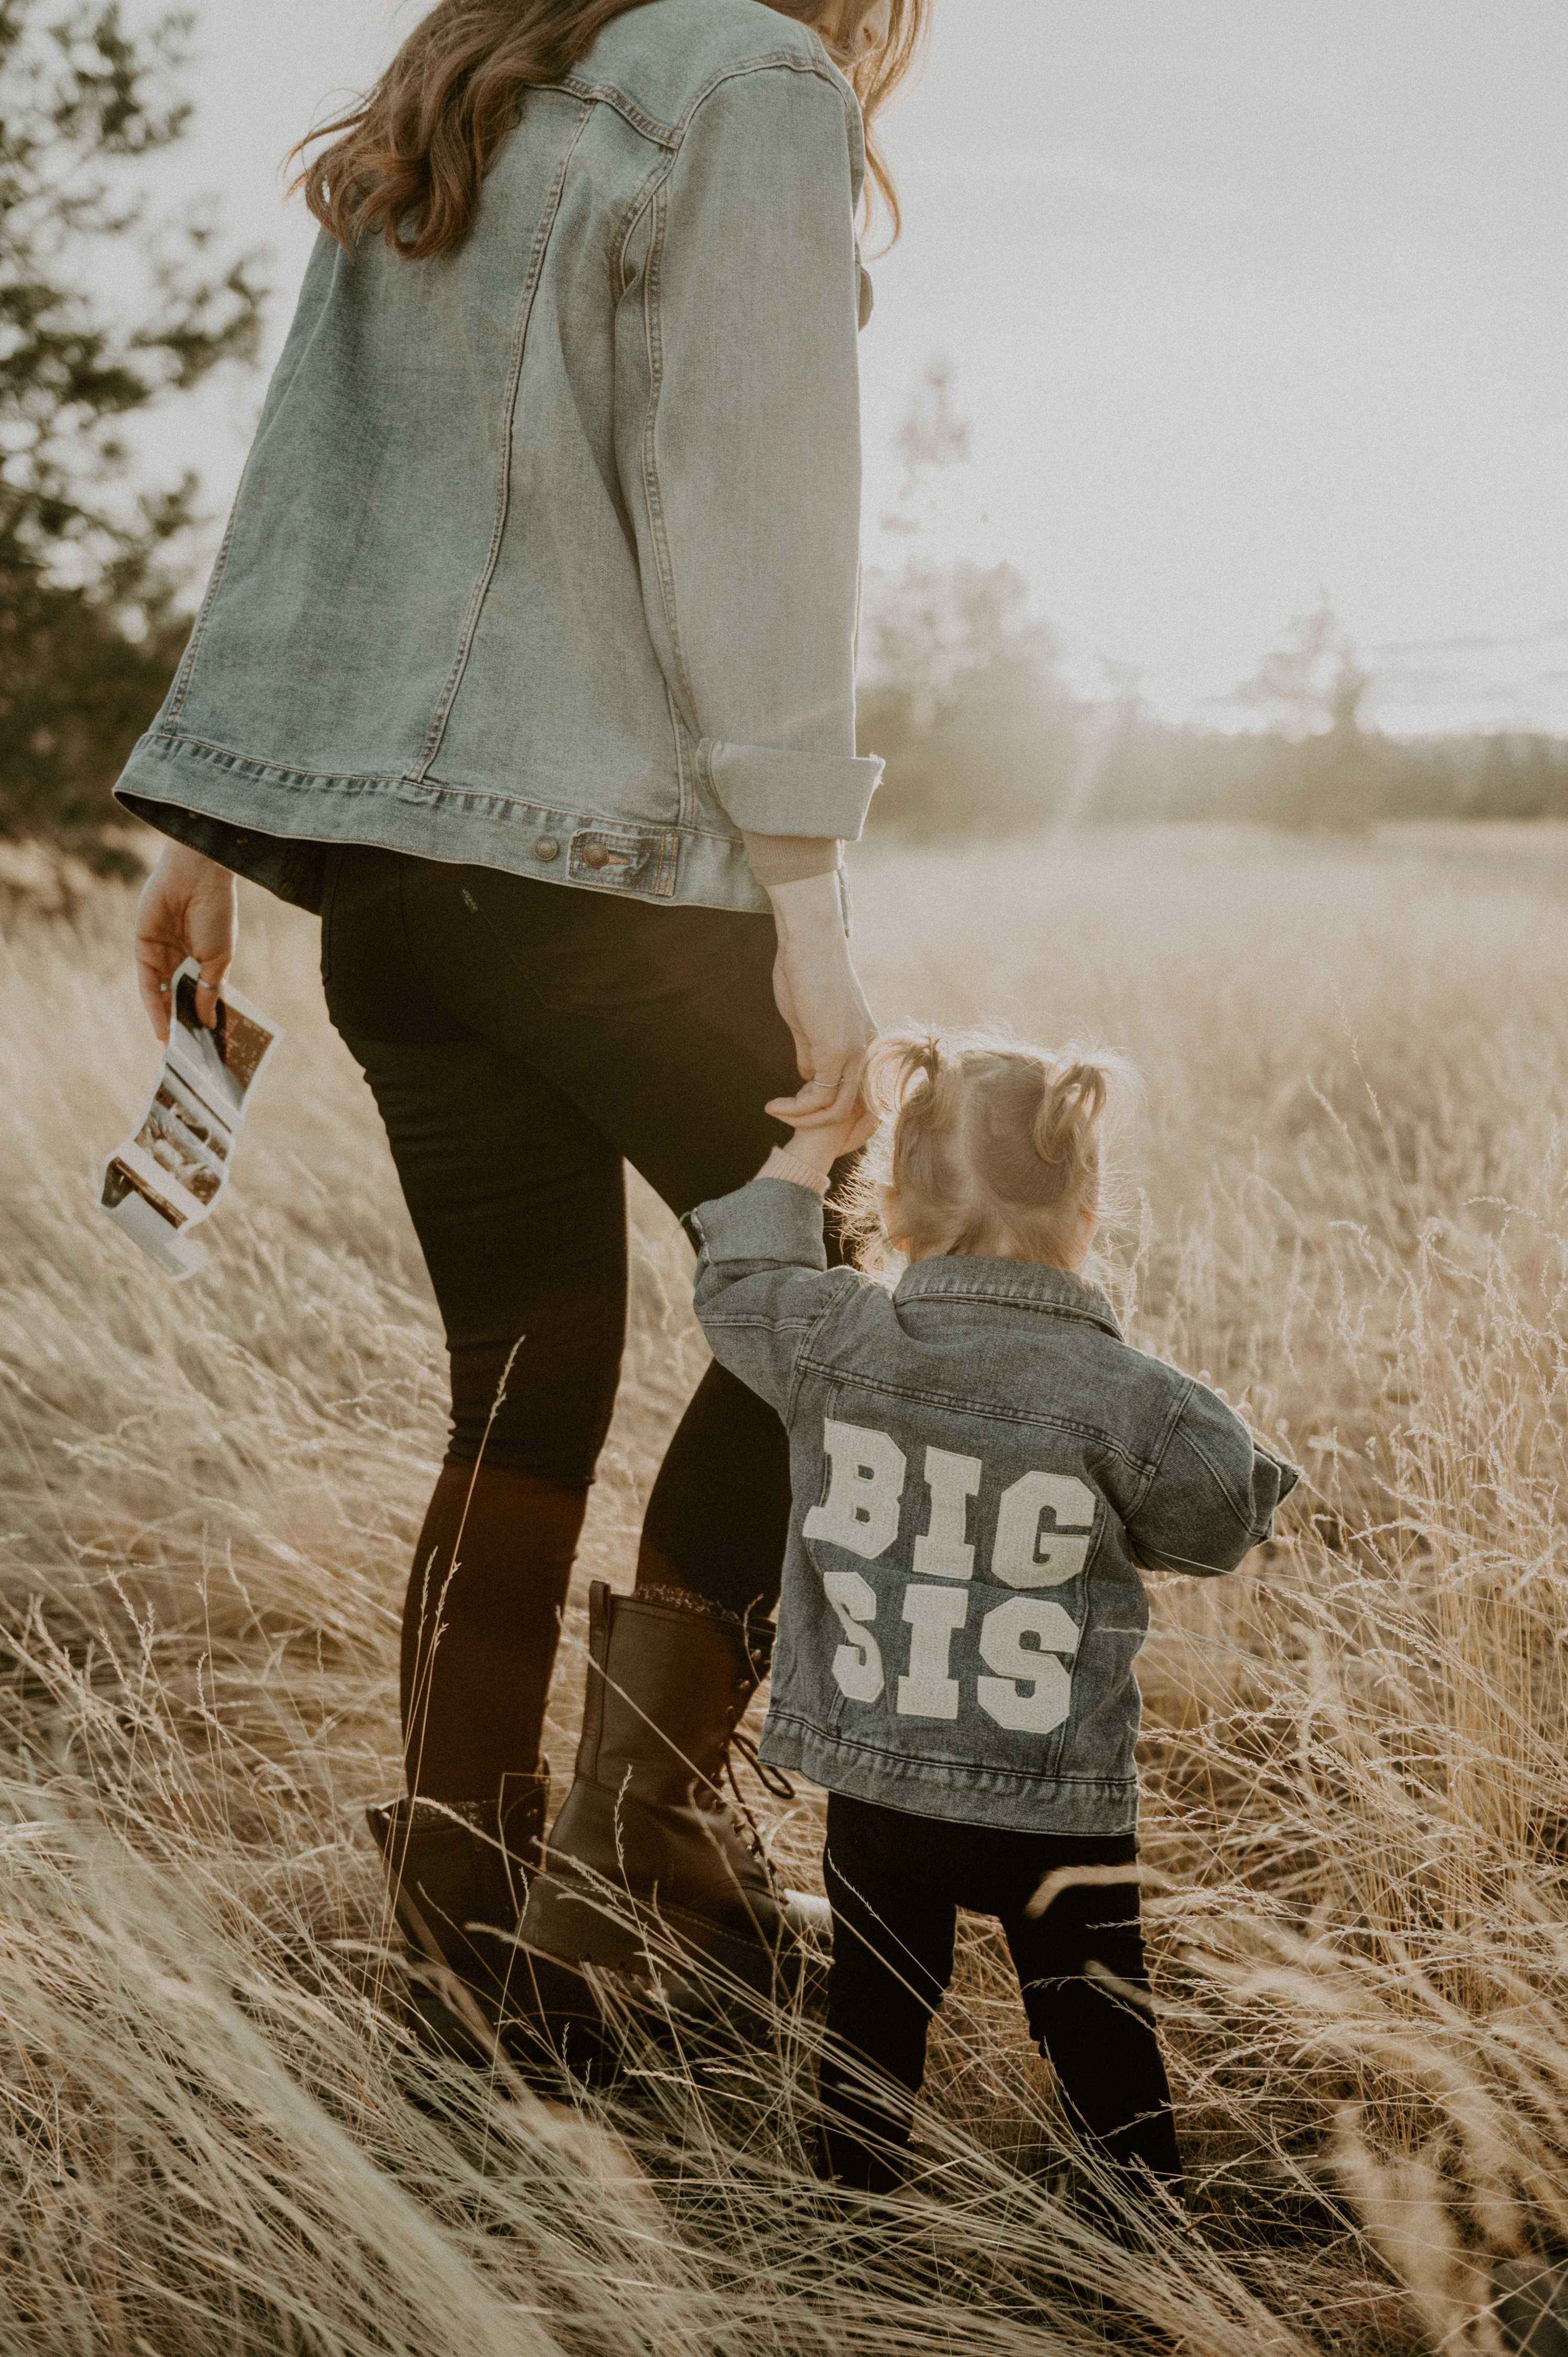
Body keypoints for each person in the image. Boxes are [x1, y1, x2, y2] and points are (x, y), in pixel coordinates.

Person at [122, 0, 931, 2036]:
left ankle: (479, 1969)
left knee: (520, 1388)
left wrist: (209, 829)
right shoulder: (750, 77)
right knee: (827, 1315)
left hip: (391, 901)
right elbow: (756, 505)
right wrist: (808, 901)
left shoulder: (451, 92)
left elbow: (302, 489)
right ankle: (643, 1842)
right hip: (599, 872)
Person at [684, 1026, 1300, 2199]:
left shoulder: (834, 1337)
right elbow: (1228, 1517)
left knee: (875, 2012)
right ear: (1086, 1207)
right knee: (1097, 2027)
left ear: (896, 1205)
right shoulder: (1128, 1395)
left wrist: (811, 1146)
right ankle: (1142, 2232)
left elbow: (737, 1282)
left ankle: (852, 2216)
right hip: (1054, 1793)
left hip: (881, 1767)